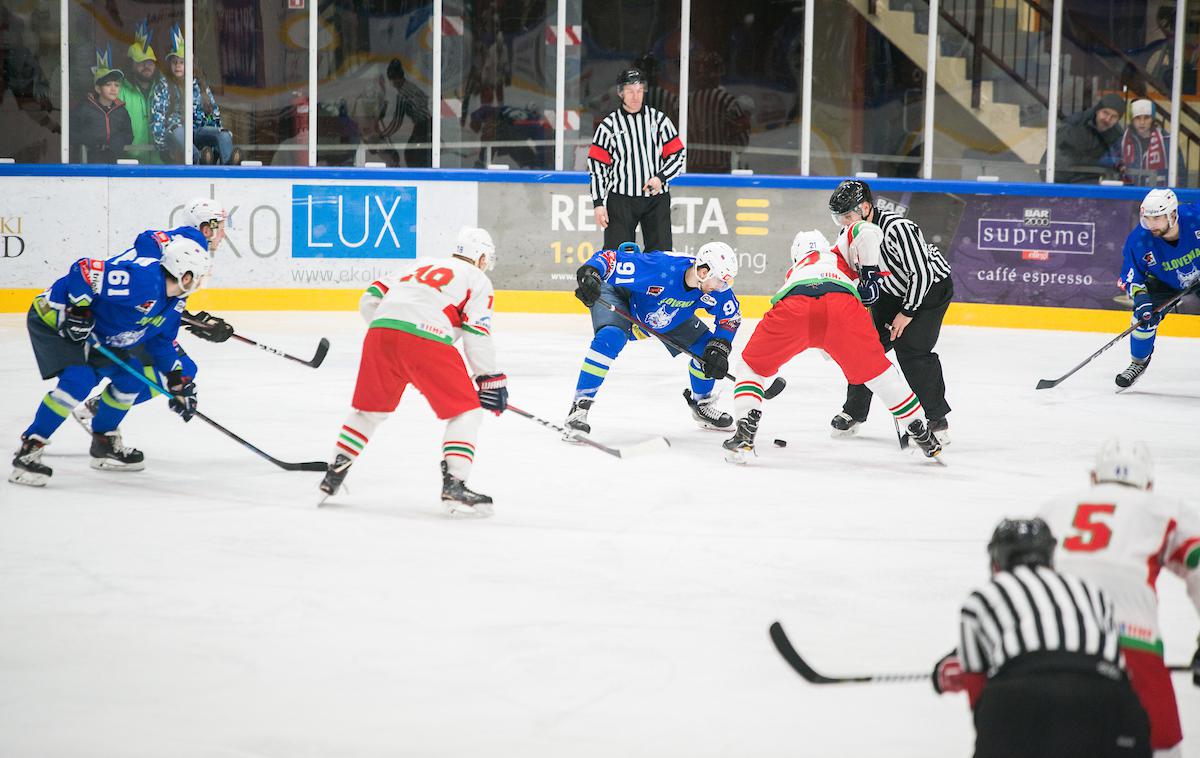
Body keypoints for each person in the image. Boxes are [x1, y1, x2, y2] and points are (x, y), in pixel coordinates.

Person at [319, 227, 505, 517]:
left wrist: (393, 330)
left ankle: (334, 471)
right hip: (425, 340)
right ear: (481, 257)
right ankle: (455, 484)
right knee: (467, 411)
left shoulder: (422, 264)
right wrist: (489, 378)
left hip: (380, 334)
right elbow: (476, 332)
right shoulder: (477, 279)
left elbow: (369, 298)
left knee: (369, 411)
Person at [1034, 439, 1200, 758]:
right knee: (1159, 745)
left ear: (1094, 478)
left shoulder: (1054, 508)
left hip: (1048, 648)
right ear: (1148, 484)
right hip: (1134, 648)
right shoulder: (1164, 510)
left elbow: (1017, 580)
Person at [932, 518, 1152, 758]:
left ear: (997, 560)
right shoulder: (1092, 591)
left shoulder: (982, 597)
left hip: (1020, 696)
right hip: (1112, 700)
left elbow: (977, 688)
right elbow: (1114, 662)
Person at [721, 228, 941, 463]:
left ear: (796, 256)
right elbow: (866, 231)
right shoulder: (839, 255)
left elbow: (814, 323)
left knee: (751, 367)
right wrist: (869, 272)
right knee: (880, 374)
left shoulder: (795, 270)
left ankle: (745, 426)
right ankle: (919, 427)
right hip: (842, 306)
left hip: (796, 304)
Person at [9, 236, 211, 487]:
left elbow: (161, 344)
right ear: (186, 275)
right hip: (55, 318)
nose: (202, 283)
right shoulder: (144, 281)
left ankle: (104, 443)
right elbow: (84, 270)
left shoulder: (175, 302)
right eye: (200, 277)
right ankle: (30, 448)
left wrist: (178, 383)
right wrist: (79, 311)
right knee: (78, 381)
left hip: (100, 333)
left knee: (131, 378)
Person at [70, 198, 230, 433]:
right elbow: (149, 249)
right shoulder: (192, 241)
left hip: (122, 307)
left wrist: (193, 319)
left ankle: (100, 406)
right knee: (180, 370)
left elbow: (163, 295)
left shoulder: (188, 243)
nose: (223, 236)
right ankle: (101, 411)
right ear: (208, 227)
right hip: (116, 310)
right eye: (222, 228)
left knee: (180, 369)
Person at [565, 241, 741, 435]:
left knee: (709, 351)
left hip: (668, 314)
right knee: (610, 337)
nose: (722, 285)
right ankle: (579, 408)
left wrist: (720, 347)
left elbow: (730, 317)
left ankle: (701, 404)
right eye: (720, 280)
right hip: (625, 298)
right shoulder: (661, 267)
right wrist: (590, 274)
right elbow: (609, 259)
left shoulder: (716, 290)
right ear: (703, 272)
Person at [826, 180, 954, 441]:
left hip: (929, 290)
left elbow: (922, 273)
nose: (843, 223)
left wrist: (906, 313)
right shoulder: (848, 234)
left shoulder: (899, 229)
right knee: (864, 347)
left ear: (864, 207)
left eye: (847, 215)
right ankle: (855, 411)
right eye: (838, 217)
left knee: (912, 351)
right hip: (890, 290)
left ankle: (936, 420)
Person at [588, 68, 686, 253]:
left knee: (661, 252)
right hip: (621, 200)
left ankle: (657, 283)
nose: (635, 96)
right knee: (617, 254)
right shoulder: (609, 126)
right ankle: (618, 284)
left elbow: (678, 155)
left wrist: (660, 178)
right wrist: (599, 203)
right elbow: (598, 168)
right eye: (630, 91)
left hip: (656, 199)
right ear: (620, 92)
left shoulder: (659, 121)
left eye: (639, 90)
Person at [1115, 188, 1200, 388]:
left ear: (1172, 214)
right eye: (1148, 218)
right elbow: (1132, 276)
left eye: (1157, 218)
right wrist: (1142, 300)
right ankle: (1138, 363)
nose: (1151, 224)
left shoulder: (1195, 217)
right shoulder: (1139, 240)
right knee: (1141, 320)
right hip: (1164, 282)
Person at [150, 25, 237, 165]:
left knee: (224, 133)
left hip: (197, 132)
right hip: (176, 137)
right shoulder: (163, 86)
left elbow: (213, 114)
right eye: (174, 62)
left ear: (190, 64)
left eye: (182, 62)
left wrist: (214, 144)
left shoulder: (200, 86)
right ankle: (198, 159)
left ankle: (229, 165)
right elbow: (157, 119)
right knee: (176, 130)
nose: (177, 66)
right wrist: (164, 149)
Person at [686, 52, 750, 174]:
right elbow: (741, 143)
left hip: (691, 167)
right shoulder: (727, 101)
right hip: (719, 168)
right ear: (717, 75)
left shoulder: (686, 102)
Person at [71, 46, 133, 164]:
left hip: (114, 163)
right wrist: (90, 140)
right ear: (98, 89)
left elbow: (129, 135)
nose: (113, 89)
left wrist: (118, 141)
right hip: (88, 164)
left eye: (117, 85)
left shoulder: (122, 111)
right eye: (108, 84)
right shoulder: (84, 108)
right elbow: (70, 133)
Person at [1049, 93, 1124, 184]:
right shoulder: (1076, 124)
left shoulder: (1117, 135)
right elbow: (1064, 159)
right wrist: (1099, 163)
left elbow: (1119, 163)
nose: (1108, 119)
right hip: (1060, 181)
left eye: (1114, 116)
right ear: (1097, 111)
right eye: (1105, 113)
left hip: (1095, 183)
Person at [372, 58, 432, 168]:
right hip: (427, 123)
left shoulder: (402, 94)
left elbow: (397, 122)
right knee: (415, 152)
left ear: (394, 79)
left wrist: (383, 134)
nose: (392, 84)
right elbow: (425, 99)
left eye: (392, 80)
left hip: (423, 125)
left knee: (411, 153)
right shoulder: (411, 86)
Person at [119, 19, 163, 163]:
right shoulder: (119, 90)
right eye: (140, 61)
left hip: (161, 163)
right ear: (130, 64)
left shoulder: (163, 90)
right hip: (129, 163)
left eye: (150, 62)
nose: (146, 66)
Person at [1114, 99, 1183, 187]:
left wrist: (1179, 197)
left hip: (1160, 196)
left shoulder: (1168, 141)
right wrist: (1119, 165)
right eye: (1137, 118)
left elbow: (1180, 172)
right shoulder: (1122, 141)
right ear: (1132, 119)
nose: (1142, 122)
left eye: (1146, 117)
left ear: (1152, 119)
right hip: (1129, 195)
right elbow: (1112, 164)